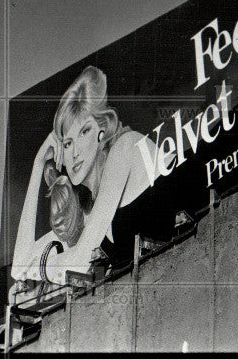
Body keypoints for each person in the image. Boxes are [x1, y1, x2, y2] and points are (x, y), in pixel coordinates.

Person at [11, 66, 165, 286]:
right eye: (67, 143)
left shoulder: (126, 146)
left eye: (84, 132)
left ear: (102, 129)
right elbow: (19, 268)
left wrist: (46, 265)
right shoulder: (90, 207)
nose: (74, 153)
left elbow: (81, 261)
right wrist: (37, 166)